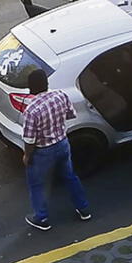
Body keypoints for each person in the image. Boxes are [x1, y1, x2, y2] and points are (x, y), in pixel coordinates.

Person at [22, 69, 91, 231]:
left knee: (37, 183)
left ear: (31, 88)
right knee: (70, 176)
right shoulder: (60, 96)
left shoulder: (31, 111)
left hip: (43, 152)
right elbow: (70, 114)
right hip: (62, 143)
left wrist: (27, 156)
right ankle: (83, 208)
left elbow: (29, 139)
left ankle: (41, 218)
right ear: (46, 83)